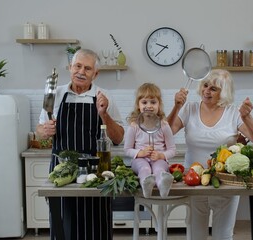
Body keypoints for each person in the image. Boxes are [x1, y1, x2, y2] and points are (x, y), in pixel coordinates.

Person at [36, 48, 124, 240]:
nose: (81, 72)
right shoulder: (56, 95)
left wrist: (104, 114)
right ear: (70, 67)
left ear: (96, 73)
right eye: (77, 66)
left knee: (96, 226)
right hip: (61, 173)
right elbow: (41, 134)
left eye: (87, 68)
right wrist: (44, 131)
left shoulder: (104, 96)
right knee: (62, 226)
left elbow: (118, 138)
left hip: (96, 174)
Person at [167, 69, 253, 240]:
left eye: (213, 88)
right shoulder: (189, 109)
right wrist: (176, 106)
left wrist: (247, 116)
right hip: (194, 181)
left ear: (223, 92)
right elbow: (165, 133)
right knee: (195, 235)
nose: (206, 91)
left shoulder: (233, 113)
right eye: (205, 85)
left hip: (224, 182)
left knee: (223, 236)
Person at [124, 83, 176, 198]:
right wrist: (140, 153)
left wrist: (161, 155)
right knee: (145, 168)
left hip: (158, 160)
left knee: (159, 169)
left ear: (159, 105)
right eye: (144, 102)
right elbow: (127, 149)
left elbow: (172, 150)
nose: (149, 106)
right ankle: (146, 185)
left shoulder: (164, 125)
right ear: (138, 105)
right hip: (139, 160)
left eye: (153, 102)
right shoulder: (134, 126)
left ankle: (163, 186)